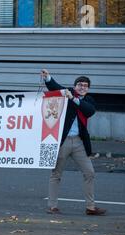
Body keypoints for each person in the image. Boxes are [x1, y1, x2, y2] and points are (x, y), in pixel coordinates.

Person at [41, 69, 106, 216]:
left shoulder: (88, 100)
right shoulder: (67, 93)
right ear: (75, 86)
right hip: (63, 141)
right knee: (56, 174)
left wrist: (73, 99)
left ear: (88, 88)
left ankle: (90, 207)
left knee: (89, 172)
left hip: (79, 142)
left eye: (85, 85)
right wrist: (48, 78)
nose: (82, 87)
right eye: (80, 84)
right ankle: (52, 206)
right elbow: (55, 87)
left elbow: (88, 111)